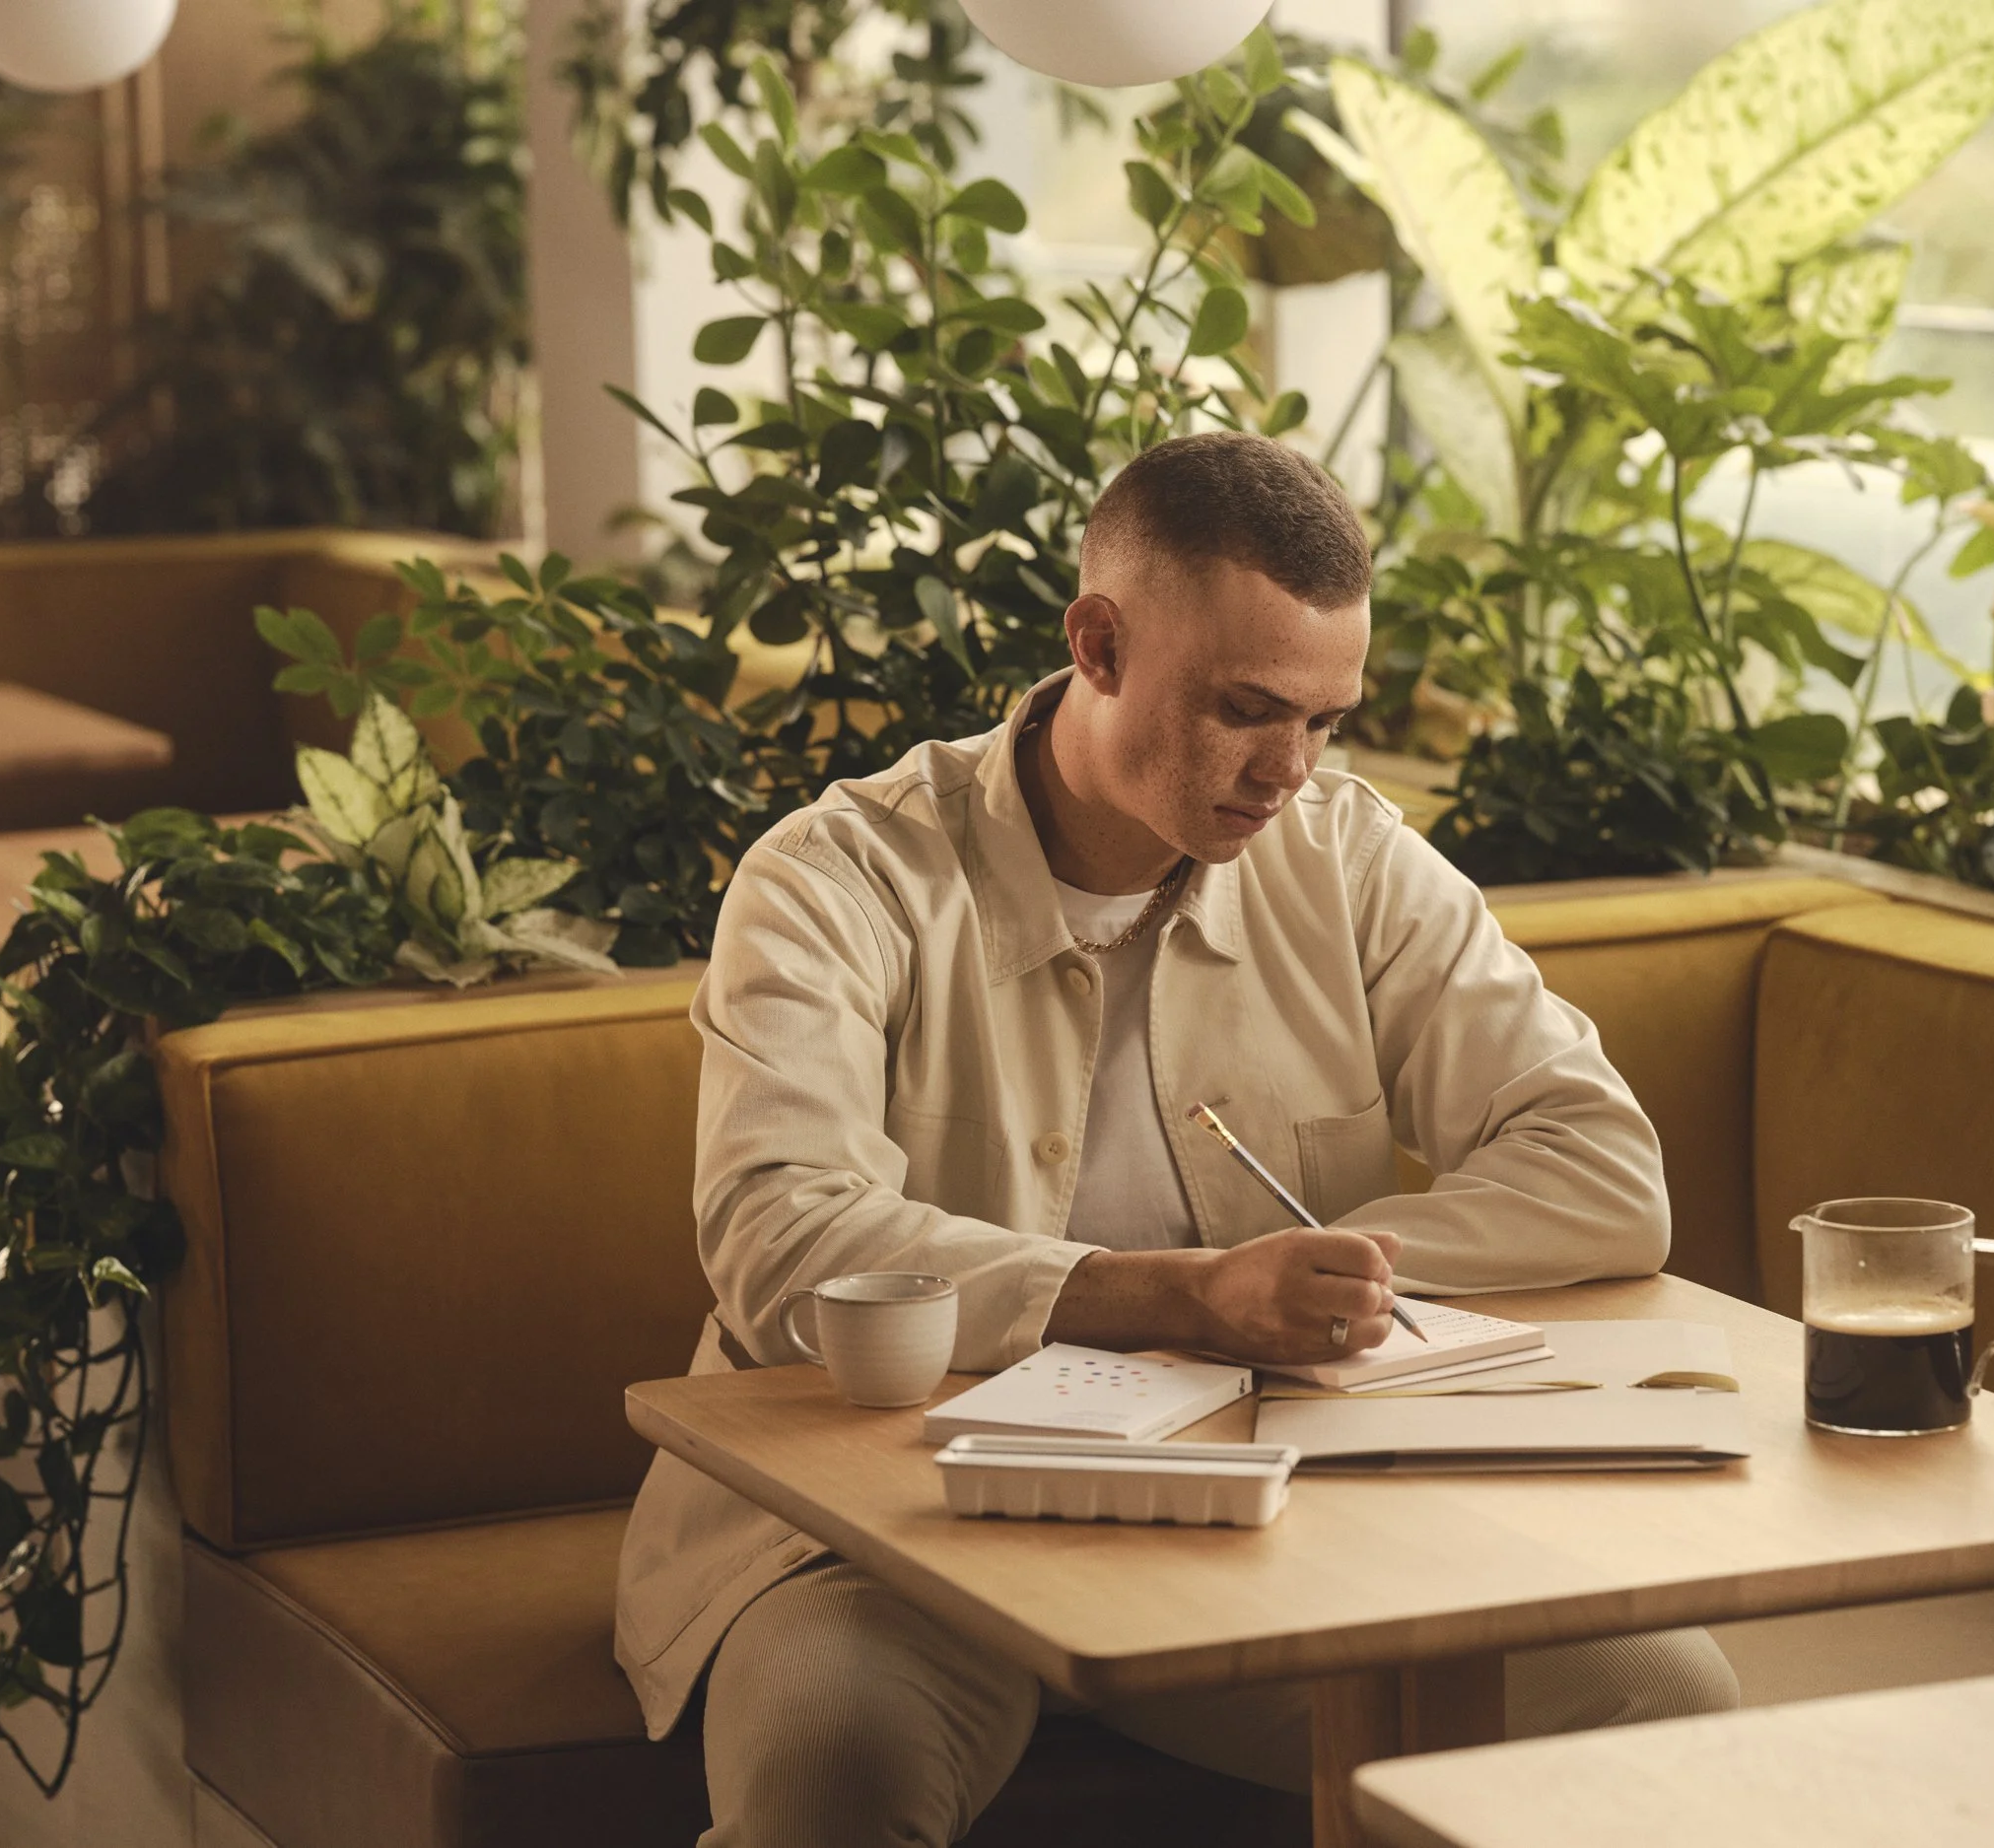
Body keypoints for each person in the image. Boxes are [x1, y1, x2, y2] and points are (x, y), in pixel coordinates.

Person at [615, 431, 1739, 1846]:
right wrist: (1188, 1294)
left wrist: (1320, 1279)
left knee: (1661, 1690)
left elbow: (1601, 1170)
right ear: (1096, 642)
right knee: (836, 1772)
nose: (1289, 769)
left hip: (1269, 1511)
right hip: (883, 1536)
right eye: (1248, 707)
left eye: (1327, 720)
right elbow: (783, 1242)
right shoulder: (838, 878)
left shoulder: (1348, 857)